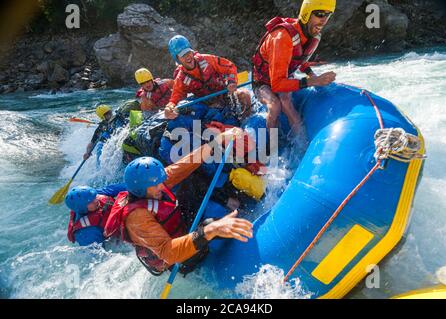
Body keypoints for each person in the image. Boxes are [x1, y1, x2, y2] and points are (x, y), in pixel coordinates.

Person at [104, 128, 253, 276]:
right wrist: (210, 229)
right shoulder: (137, 217)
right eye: (156, 185)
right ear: (141, 190)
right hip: (176, 260)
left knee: (191, 179)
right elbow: (168, 253)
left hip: (177, 226)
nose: (162, 185)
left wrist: (218, 139)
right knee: (208, 225)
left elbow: (186, 163)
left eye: (160, 181)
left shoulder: (153, 182)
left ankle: (230, 206)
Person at [252, 0, 337, 134]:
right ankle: (271, 145)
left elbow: (299, 60)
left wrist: (312, 75)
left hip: (284, 76)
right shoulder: (282, 38)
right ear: (306, 14)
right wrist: (313, 81)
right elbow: (277, 85)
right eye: (320, 14)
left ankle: (301, 145)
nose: (324, 20)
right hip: (262, 82)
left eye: (328, 15)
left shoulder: (311, 35)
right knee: (275, 106)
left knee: (287, 104)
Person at [164, 35, 252, 123]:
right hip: (209, 104)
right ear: (178, 59)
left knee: (245, 94)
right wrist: (169, 107)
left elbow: (230, 67)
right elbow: (175, 98)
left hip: (225, 93)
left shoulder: (207, 60)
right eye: (183, 55)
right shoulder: (181, 78)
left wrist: (231, 81)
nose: (187, 57)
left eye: (188, 52)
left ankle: (247, 120)